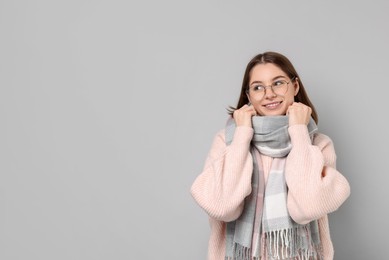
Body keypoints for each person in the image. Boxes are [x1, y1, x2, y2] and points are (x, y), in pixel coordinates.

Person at [190, 51, 350, 260]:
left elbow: (308, 207)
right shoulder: (227, 141)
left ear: (295, 86)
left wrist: (299, 132)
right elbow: (223, 207)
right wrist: (242, 136)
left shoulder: (317, 144)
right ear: (248, 96)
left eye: (278, 83)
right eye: (258, 87)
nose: (269, 94)